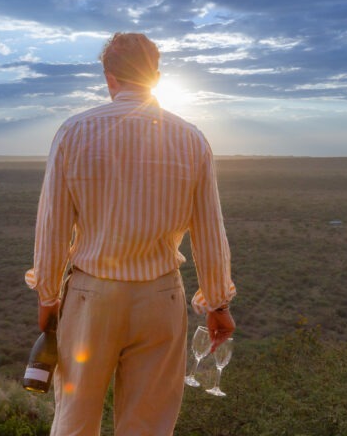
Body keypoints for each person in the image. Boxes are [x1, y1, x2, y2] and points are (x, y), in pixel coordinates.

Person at [25, 32, 236, 436]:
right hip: (160, 298)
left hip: (91, 297)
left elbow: (52, 226)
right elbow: (209, 229)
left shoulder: (74, 132)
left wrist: (48, 295)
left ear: (110, 77)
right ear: (155, 74)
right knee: (149, 426)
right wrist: (217, 303)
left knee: (74, 420)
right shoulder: (190, 138)